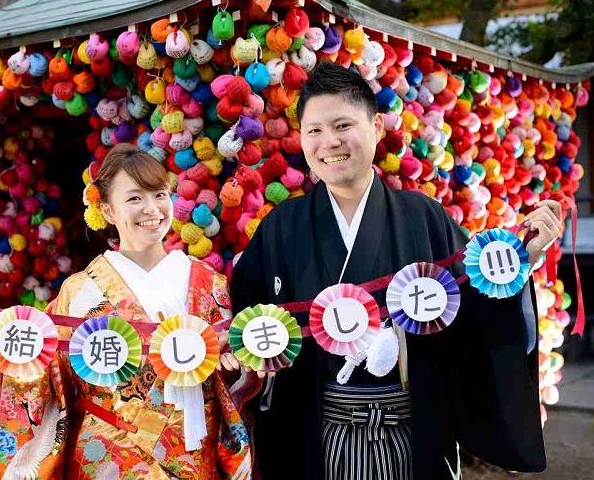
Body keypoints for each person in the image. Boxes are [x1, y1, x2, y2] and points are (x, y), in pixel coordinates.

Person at [230, 61, 563, 479]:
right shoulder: (281, 226)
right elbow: (249, 317)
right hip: (310, 436)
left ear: (375, 126)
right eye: (314, 130)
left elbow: (474, 313)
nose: (328, 142)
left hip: (411, 432)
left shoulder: (421, 216)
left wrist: (520, 262)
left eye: (342, 125)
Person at [0, 144, 250, 479]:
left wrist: (236, 369)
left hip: (191, 453)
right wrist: (6, 341)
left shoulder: (209, 282)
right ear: (108, 211)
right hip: (109, 457)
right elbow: (50, 376)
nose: (152, 209)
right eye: (134, 199)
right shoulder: (81, 291)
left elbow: (229, 371)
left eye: (159, 195)